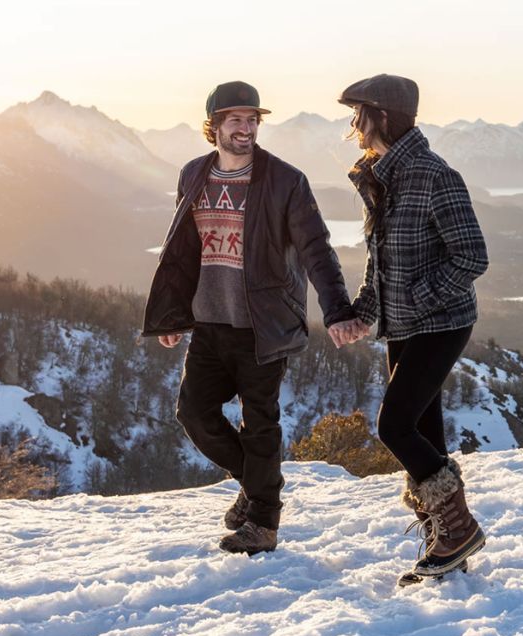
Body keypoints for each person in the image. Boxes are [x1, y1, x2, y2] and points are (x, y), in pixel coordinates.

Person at [142, 81, 361, 555]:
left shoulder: (286, 180)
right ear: (214, 126)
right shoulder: (194, 174)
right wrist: (172, 315)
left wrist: (338, 309)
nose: (247, 128)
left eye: (253, 119)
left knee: (260, 423)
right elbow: (183, 250)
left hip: (263, 324)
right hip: (208, 321)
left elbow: (316, 250)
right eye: (236, 120)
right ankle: (259, 485)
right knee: (194, 413)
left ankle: (264, 523)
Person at [336, 74, 490, 586]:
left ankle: (459, 529)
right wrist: (365, 310)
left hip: (442, 323)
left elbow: (472, 256)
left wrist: (417, 299)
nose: (353, 125)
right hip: (404, 325)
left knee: (395, 425)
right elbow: (381, 263)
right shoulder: (384, 175)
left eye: (359, 114)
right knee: (424, 432)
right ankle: (443, 550)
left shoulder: (433, 175)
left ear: (382, 116)